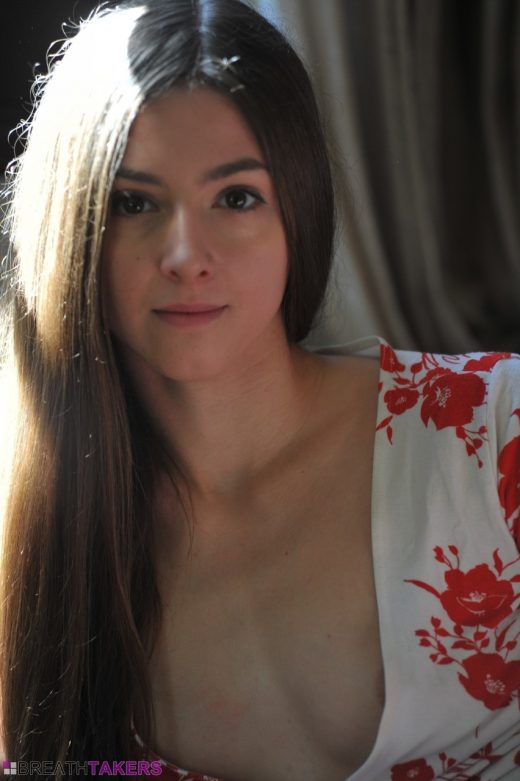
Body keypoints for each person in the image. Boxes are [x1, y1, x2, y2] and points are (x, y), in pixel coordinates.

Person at [0, 1, 519, 779]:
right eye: (133, 202)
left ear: (297, 212)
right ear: (74, 235)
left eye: (236, 196)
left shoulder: (495, 433)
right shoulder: (32, 565)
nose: (185, 254)